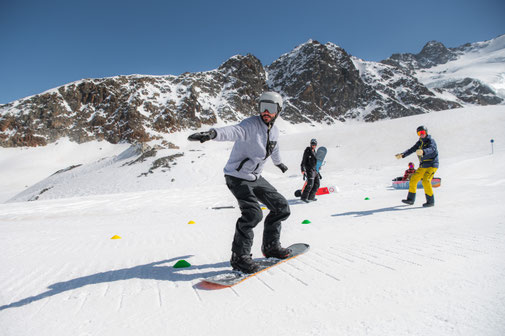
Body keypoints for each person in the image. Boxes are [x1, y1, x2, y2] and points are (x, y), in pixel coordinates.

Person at [187, 91, 291, 274]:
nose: (266, 112)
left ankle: (270, 246)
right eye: (262, 107)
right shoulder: (250, 125)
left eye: (271, 108)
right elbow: (234, 131)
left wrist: (278, 163)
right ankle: (239, 257)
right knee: (253, 214)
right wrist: (212, 133)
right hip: (237, 176)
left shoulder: (274, 130)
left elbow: (274, 148)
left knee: (281, 207)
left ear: (278, 111)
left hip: (255, 177)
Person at [395, 125, 439, 207]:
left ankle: (430, 201)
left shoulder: (431, 141)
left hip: (432, 164)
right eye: (419, 133)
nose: (421, 134)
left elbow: (432, 149)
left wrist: (423, 151)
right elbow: (411, 149)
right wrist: (402, 154)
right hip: (423, 165)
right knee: (414, 179)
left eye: (423, 132)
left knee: (426, 180)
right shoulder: (419, 143)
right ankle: (410, 200)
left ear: (426, 132)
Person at [300, 138, 321, 203]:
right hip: (309, 170)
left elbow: (315, 162)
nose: (313, 145)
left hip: (314, 170)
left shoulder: (315, 152)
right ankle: (304, 197)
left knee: (317, 184)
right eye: (312, 144)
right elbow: (303, 161)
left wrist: (318, 167)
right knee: (310, 184)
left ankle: (311, 197)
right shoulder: (307, 151)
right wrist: (303, 169)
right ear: (310, 144)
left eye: (314, 144)